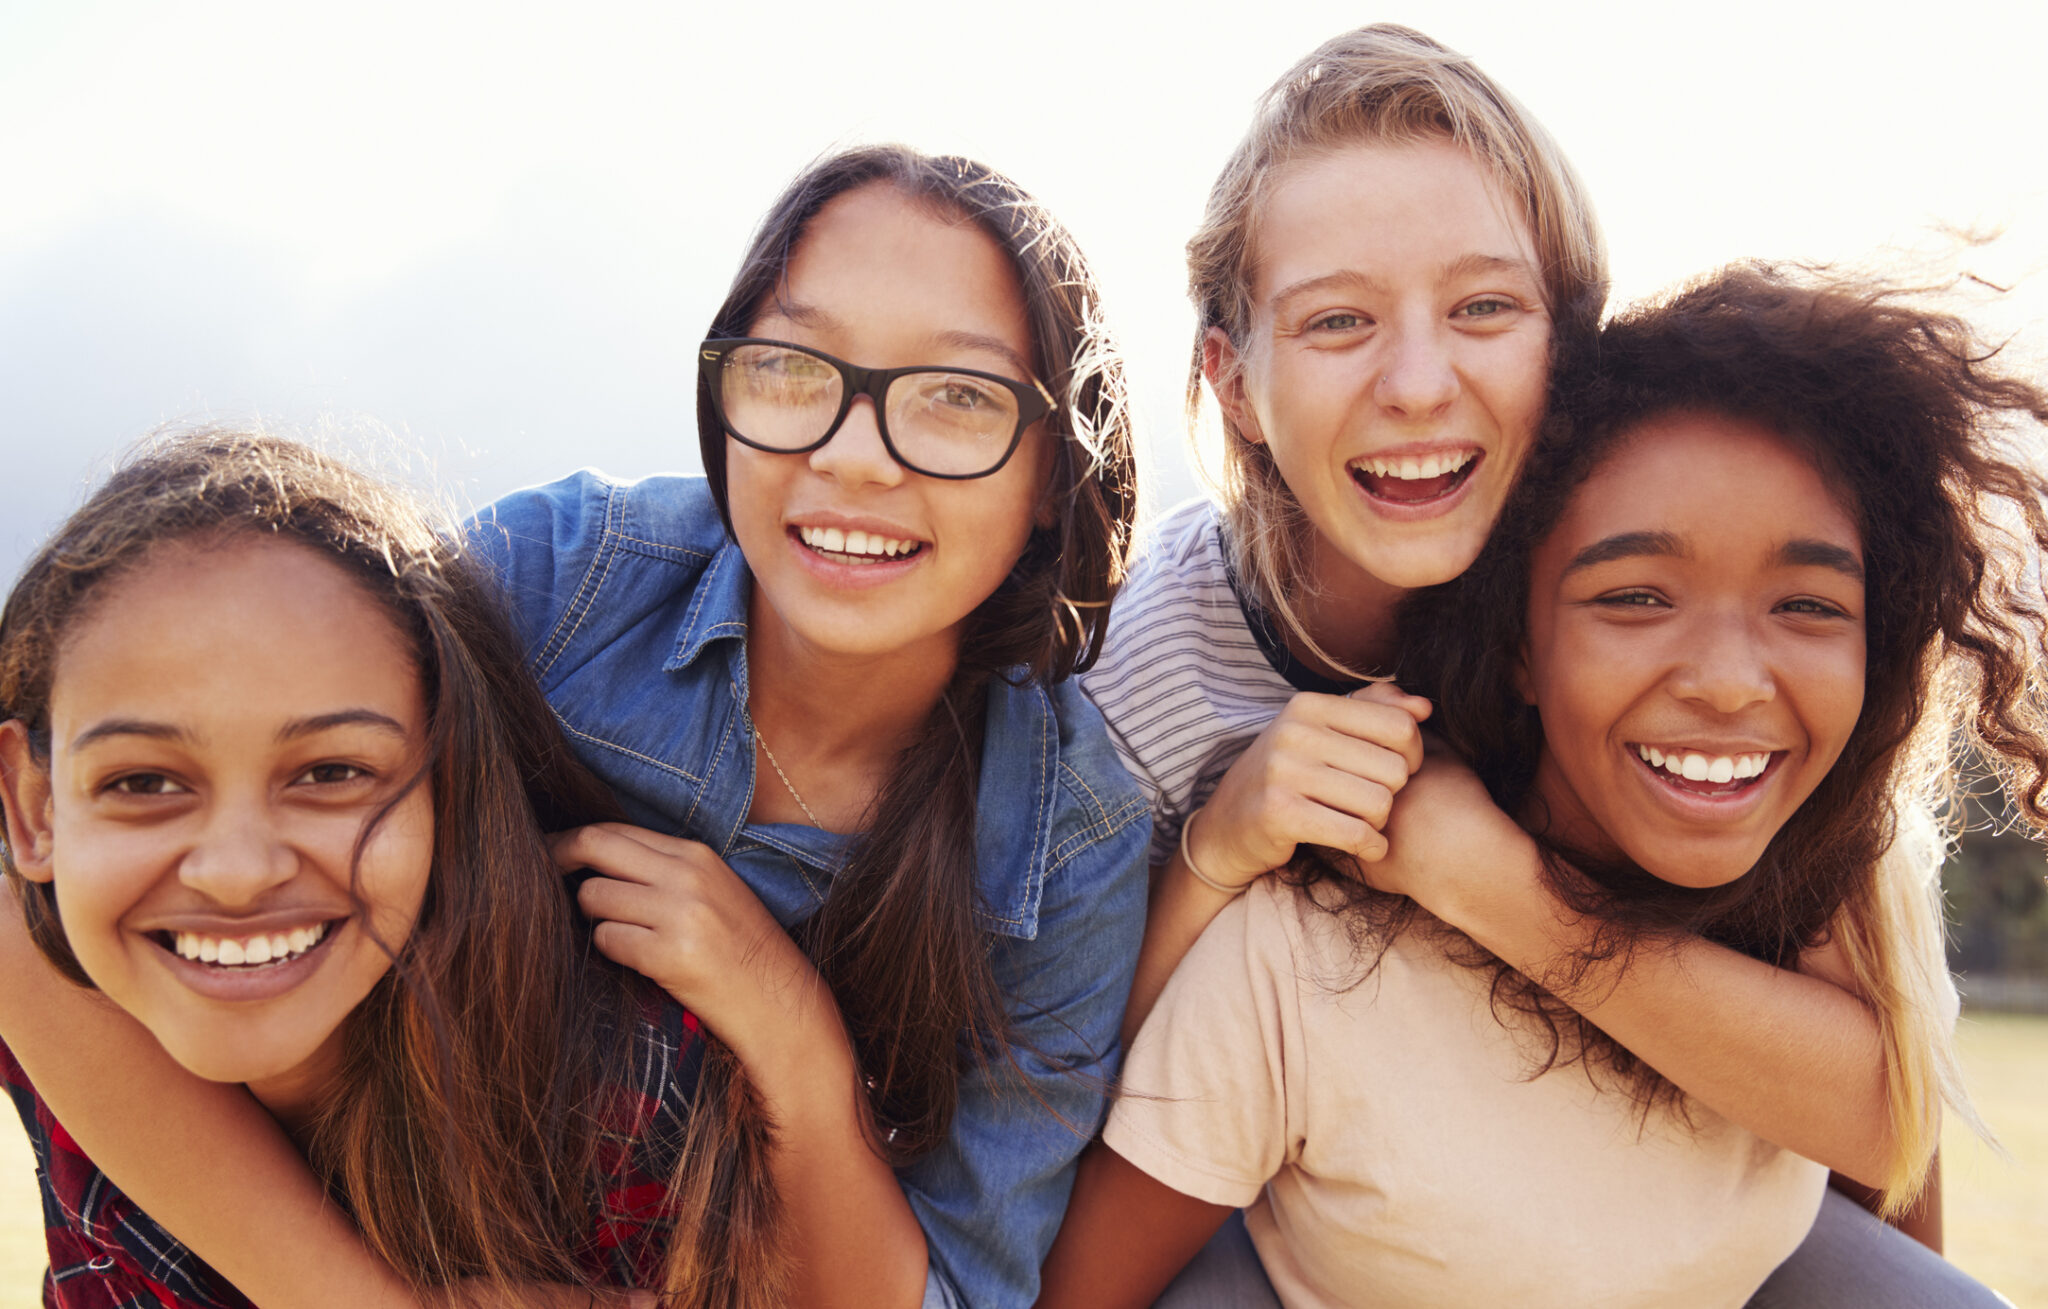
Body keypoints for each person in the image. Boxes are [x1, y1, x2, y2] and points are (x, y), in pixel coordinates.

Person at [0, 144, 1150, 1309]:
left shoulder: (1068, 844)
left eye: (958, 398)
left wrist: (793, 1037)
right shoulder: (564, 582)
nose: (851, 455)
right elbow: (57, 875)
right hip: (331, 1196)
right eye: (790, 369)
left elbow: (956, 1292)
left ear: (1054, 470)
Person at [1079, 24, 1978, 1300]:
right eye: (1336, 320)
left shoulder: (1688, 626)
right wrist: (1214, 852)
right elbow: (1043, 1102)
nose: (1416, 382)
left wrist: (1485, 879)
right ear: (1231, 383)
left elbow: (1883, 1122)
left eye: (1484, 308)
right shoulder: (1138, 676)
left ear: (1571, 345)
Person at [0, 432, 781, 1308]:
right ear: (33, 809)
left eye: (331, 772)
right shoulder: (62, 1008)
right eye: (143, 782)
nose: (237, 872)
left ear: (448, 783)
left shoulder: (627, 1100)